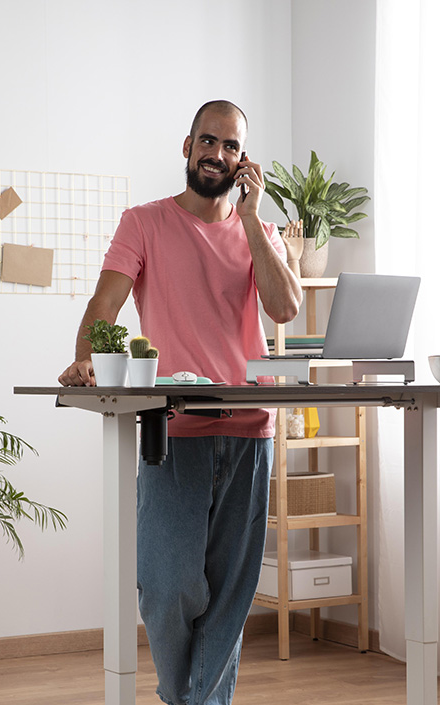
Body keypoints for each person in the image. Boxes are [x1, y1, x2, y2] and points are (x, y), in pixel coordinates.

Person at [59, 100, 303, 705]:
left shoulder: (261, 234)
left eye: (229, 145)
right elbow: (104, 306)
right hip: (172, 430)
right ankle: (188, 697)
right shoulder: (143, 224)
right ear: (187, 146)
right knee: (167, 588)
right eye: (207, 141)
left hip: (250, 430)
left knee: (231, 590)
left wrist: (251, 221)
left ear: (242, 159)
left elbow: (286, 308)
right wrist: (89, 356)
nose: (216, 153)